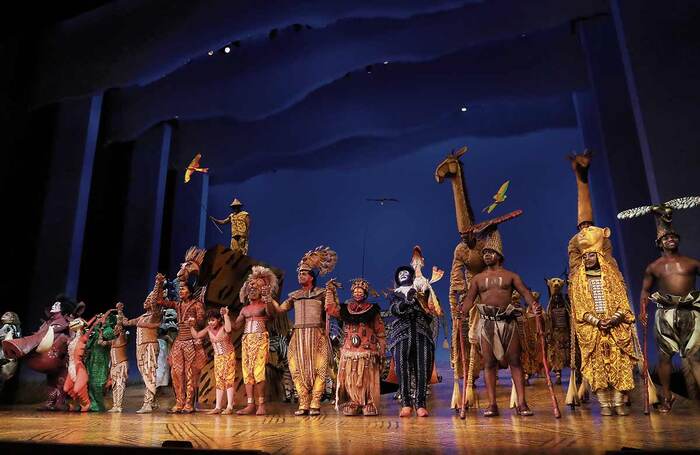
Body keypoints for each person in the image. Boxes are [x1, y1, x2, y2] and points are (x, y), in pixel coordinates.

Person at [460, 227, 541, 417]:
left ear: (499, 255)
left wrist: (534, 306)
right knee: (489, 363)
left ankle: (522, 403)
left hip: (508, 322)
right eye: (485, 253)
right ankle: (492, 404)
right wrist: (461, 312)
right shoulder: (478, 279)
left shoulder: (511, 276)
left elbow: (525, 293)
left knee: (515, 361)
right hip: (487, 323)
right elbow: (470, 299)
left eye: (490, 252)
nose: (487, 255)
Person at [637, 202, 700, 411]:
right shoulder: (654, 267)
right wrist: (643, 310)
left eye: (673, 237)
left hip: (691, 312)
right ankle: (666, 396)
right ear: (660, 243)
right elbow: (646, 290)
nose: (670, 239)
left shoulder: (692, 263)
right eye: (666, 238)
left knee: (696, 355)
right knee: (665, 357)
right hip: (665, 315)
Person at [569, 226, 637, 416]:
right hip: (593, 330)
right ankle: (605, 405)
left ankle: (618, 402)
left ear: (599, 256)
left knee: (619, 363)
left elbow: (622, 302)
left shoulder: (613, 277)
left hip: (615, 328)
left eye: (591, 255)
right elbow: (579, 308)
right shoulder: (578, 281)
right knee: (597, 366)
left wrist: (614, 319)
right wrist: (597, 322)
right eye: (584, 257)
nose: (587, 259)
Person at [267, 246, 337, 416]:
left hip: (317, 335)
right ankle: (303, 401)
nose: (300, 276)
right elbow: (281, 309)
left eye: (304, 273)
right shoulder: (294, 295)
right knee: (295, 368)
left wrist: (331, 294)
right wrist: (269, 299)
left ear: (311, 277)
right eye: (299, 273)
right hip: (298, 336)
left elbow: (332, 310)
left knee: (320, 369)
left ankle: (315, 402)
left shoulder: (321, 293)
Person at [326, 278, 386, 416]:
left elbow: (380, 331)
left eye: (360, 291)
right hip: (350, 350)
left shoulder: (372, 310)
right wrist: (330, 291)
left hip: (367, 350)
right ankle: (354, 401)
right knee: (351, 376)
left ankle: (369, 402)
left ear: (365, 293)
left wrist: (382, 347)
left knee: (367, 377)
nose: (358, 293)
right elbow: (330, 310)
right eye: (355, 291)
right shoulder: (346, 309)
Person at [389, 265, 440, 417]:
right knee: (402, 369)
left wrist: (420, 297)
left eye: (406, 273)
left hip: (421, 332)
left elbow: (430, 311)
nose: (403, 275)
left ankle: (421, 404)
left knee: (423, 368)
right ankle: (406, 404)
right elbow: (393, 310)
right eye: (400, 273)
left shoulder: (422, 291)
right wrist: (406, 301)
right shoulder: (395, 294)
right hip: (401, 335)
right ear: (397, 279)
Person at [158, 273, 206, 413]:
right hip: (179, 341)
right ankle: (179, 402)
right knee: (176, 373)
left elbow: (203, 321)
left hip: (191, 341)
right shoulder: (177, 304)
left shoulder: (197, 304)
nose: (180, 291)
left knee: (190, 373)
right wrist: (159, 284)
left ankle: (189, 404)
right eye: (179, 289)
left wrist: (195, 322)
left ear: (190, 291)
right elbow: (160, 301)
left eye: (183, 289)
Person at [235, 265, 278, 415]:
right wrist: (225, 318)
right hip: (246, 340)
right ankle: (250, 404)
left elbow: (271, 315)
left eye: (255, 288)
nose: (252, 290)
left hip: (260, 339)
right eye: (250, 289)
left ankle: (261, 404)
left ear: (262, 290)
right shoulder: (244, 309)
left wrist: (267, 300)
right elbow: (235, 327)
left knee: (259, 372)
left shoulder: (264, 305)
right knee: (247, 372)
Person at [191, 308, 236, 414]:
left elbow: (229, 329)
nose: (210, 322)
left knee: (228, 380)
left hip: (228, 356)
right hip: (218, 357)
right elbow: (197, 335)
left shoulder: (224, 327)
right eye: (209, 320)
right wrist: (191, 326)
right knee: (219, 381)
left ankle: (229, 407)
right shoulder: (208, 329)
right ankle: (218, 407)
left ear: (218, 320)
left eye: (213, 320)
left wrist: (225, 315)